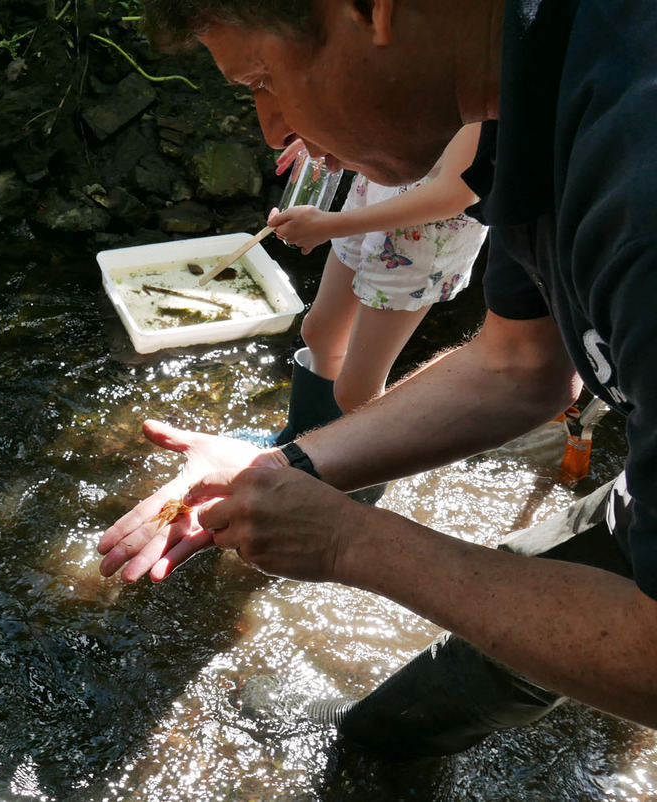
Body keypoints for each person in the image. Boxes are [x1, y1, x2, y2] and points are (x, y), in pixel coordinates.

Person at [99, 0, 657, 759]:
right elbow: (518, 367)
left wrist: (350, 542)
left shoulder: (635, 184)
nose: (272, 130)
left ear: (371, 9)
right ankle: (379, 747)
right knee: (441, 684)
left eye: (263, 80)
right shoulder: (525, 99)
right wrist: (282, 468)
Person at [270, 125, 485, 420]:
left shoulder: (483, 102)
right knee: (320, 333)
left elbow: (455, 193)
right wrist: (328, 136)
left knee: (356, 390)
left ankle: (362, 448)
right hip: (375, 187)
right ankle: (307, 433)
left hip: (425, 230)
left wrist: (326, 226)